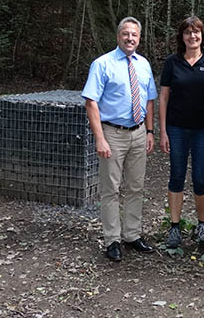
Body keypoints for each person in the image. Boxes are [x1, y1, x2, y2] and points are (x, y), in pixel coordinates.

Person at [82, 16, 158, 262]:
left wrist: (149, 131)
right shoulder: (102, 64)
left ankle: (132, 235)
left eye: (134, 35)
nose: (130, 38)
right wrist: (100, 138)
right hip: (112, 134)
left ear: (139, 38)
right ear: (118, 36)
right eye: (126, 34)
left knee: (136, 187)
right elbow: (91, 102)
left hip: (138, 133)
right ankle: (112, 239)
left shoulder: (144, 64)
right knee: (111, 189)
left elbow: (148, 100)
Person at [159, 16, 204, 248]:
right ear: (182, 37)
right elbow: (164, 97)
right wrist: (163, 131)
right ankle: (174, 227)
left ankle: (202, 223)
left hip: (203, 130)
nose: (192, 36)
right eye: (187, 32)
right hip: (176, 128)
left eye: (196, 32)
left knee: (199, 177)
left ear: (202, 36)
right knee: (176, 175)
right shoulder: (172, 62)